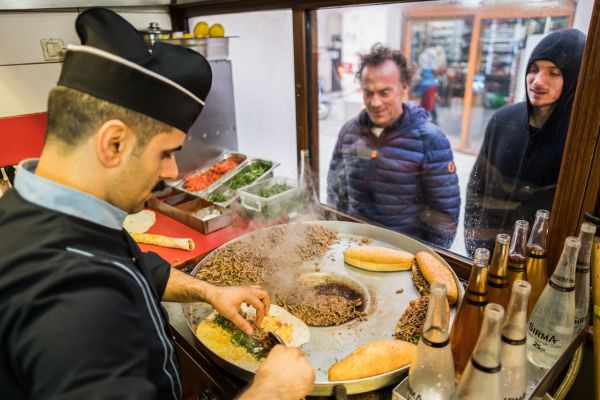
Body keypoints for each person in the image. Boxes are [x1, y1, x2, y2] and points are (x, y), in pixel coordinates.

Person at [0, 8, 313, 400]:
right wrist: (273, 391)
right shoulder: (76, 302)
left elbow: (134, 265)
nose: (172, 170)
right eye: (166, 152)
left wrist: (209, 292)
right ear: (113, 143)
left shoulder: (37, 208)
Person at [465, 28, 587, 255]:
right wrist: (474, 242)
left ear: (574, 79)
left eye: (554, 73)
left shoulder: (579, 138)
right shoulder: (503, 120)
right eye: (534, 70)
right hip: (488, 248)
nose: (538, 81)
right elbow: (477, 186)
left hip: (538, 259)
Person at [327, 44, 460, 249]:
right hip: (353, 245)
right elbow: (336, 191)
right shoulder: (349, 132)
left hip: (402, 252)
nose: (375, 102)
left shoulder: (430, 140)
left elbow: (444, 216)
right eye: (368, 93)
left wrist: (428, 259)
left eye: (384, 92)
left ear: (404, 88)